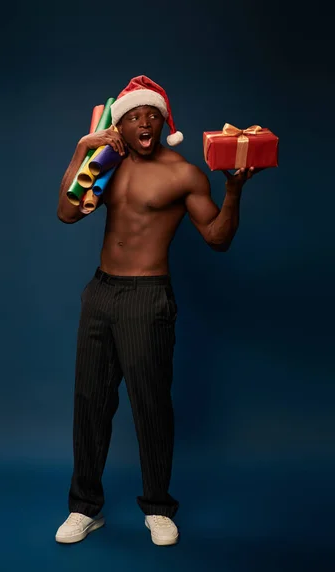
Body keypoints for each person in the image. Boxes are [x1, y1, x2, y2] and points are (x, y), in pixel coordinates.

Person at [55, 75, 262, 546]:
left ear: (164, 123)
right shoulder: (106, 164)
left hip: (148, 298)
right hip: (101, 293)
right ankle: (84, 507)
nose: (144, 122)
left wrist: (233, 189)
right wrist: (81, 152)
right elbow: (68, 213)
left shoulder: (183, 173)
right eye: (133, 116)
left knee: (150, 406)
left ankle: (158, 508)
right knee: (90, 405)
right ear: (120, 126)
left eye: (152, 115)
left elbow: (217, 238)